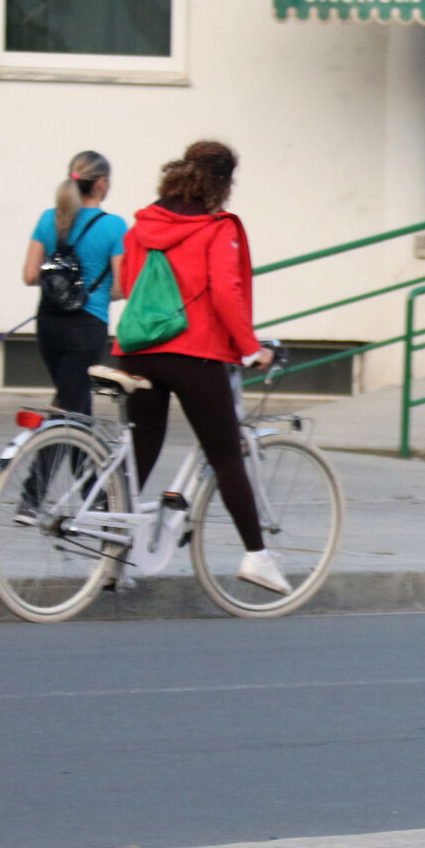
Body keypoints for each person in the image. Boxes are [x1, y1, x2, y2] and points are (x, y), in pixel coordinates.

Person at [113, 141, 289, 594]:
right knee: (226, 455)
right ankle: (257, 556)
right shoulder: (217, 228)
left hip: (136, 351)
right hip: (194, 353)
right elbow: (225, 293)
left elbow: (129, 283)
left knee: (141, 452)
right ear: (224, 183)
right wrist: (251, 348)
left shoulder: (142, 224)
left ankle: (112, 555)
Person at [22, 152, 129, 415]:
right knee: (69, 407)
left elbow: (30, 275)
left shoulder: (49, 218)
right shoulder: (114, 226)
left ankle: (82, 457)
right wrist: (106, 291)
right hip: (87, 325)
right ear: (101, 183)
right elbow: (125, 285)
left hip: (48, 321)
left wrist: (61, 285)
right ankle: (38, 457)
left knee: (75, 401)